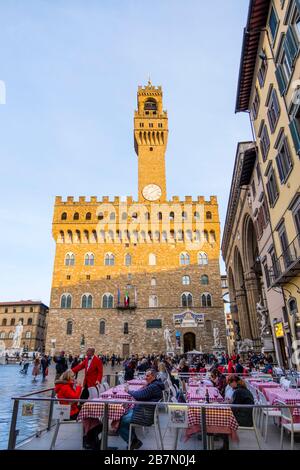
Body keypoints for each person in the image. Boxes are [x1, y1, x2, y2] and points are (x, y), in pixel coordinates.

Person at [119, 369, 164, 449]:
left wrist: (128, 391)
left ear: (153, 376)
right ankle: (133, 441)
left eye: (148, 376)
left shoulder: (153, 386)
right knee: (123, 415)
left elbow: (139, 395)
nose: (145, 378)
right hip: (146, 412)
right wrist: (145, 386)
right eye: (145, 376)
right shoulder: (155, 384)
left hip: (144, 415)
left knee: (119, 421)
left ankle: (133, 441)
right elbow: (142, 394)